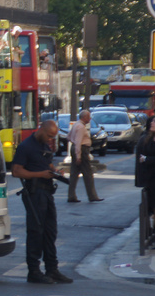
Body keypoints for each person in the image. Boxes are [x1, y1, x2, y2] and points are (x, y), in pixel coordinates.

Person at [12, 113, 73, 284]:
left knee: (50, 232)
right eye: (49, 135)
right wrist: (40, 174)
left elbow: (48, 164)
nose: (51, 139)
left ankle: (52, 269)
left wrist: (56, 172)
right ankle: (34, 271)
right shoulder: (26, 146)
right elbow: (16, 171)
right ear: (41, 130)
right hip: (34, 192)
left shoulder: (45, 145)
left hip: (46, 192)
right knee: (35, 232)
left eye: (53, 137)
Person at [135, 114, 155, 249]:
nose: (152, 124)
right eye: (152, 122)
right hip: (151, 178)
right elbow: (142, 157)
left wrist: (149, 160)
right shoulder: (147, 139)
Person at [65, 109, 103, 203]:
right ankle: (92, 196)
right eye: (89, 117)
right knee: (88, 174)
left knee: (74, 173)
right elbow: (78, 141)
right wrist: (78, 155)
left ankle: (71, 195)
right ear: (84, 117)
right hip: (81, 150)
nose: (90, 119)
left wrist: (74, 149)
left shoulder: (76, 125)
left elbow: (69, 137)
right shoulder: (81, 127)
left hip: (75, 148)